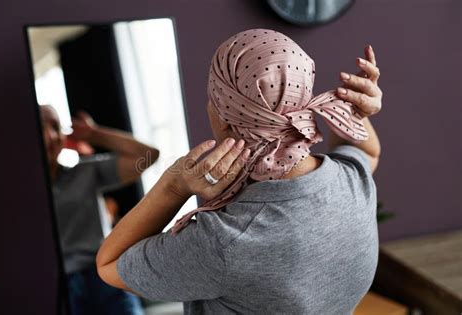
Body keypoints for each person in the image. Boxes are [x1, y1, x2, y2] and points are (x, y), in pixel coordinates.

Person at [96, 29, 383, 314]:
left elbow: (109, 264)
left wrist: (175, 185)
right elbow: (369, 152)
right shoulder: (352, 182)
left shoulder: (224, 242)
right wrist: (357, 113)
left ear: (223, 117)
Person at [40, 106, 159, 315]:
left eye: (55, 127)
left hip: (105, 276)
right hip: (59, 287)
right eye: (41, 127)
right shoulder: (14, 195)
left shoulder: (85, 172)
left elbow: (148, 155)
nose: (51, 136)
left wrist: (93, 134)